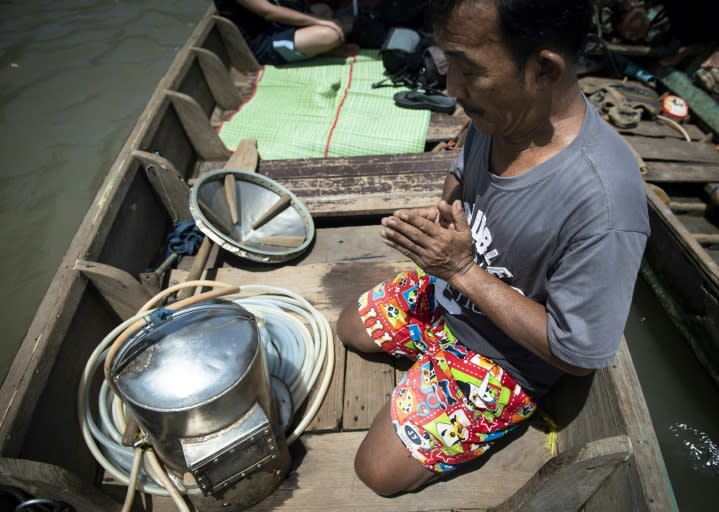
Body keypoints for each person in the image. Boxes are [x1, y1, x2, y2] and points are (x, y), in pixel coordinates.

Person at [335, 0, 649, 496]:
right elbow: (459, 173)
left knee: (377, 471)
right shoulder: (500, 114)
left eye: (468, 70)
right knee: (349, 328)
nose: (450, 89)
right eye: (448, 64)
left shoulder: (606, 203)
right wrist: (445, 215)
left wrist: (459, 269)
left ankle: (452, 378)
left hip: (503, 356)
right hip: (453, 285)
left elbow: (577, 351)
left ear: (543, 69)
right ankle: (432, 354)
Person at [213, 0, 356, 65]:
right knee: (330, 34)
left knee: (324, 9)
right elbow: (268, 12)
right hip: (262, 42)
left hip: (275, 27)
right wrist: (320, 22)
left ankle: (316, 49)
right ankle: (322, 50)